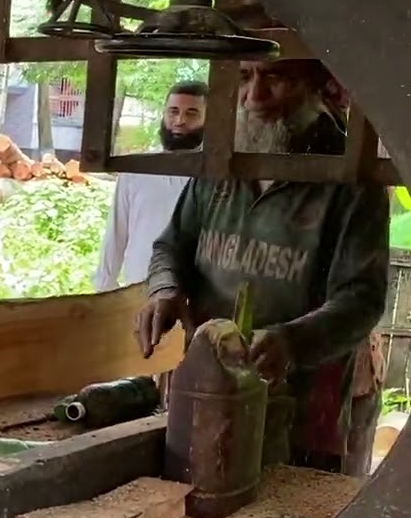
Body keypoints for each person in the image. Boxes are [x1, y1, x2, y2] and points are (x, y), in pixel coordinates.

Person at [137, 58, 390, 475]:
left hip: (303, 412)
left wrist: (290, 342)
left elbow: (362, 300)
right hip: (209, 390)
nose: (254, 96)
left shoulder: (350, 176)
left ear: (315, 85)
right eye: (243, 77)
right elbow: (171, 245)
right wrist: (164, 289)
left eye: (276, 77)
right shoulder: (222, 158)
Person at [93, 80, 208, 292]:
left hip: (192, 295)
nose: (179, 121)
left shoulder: (213, 177)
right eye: (173, 111)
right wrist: (104, 288)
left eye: (191, 114)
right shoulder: (136, 170)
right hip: (136, 291)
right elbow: (116, 233)